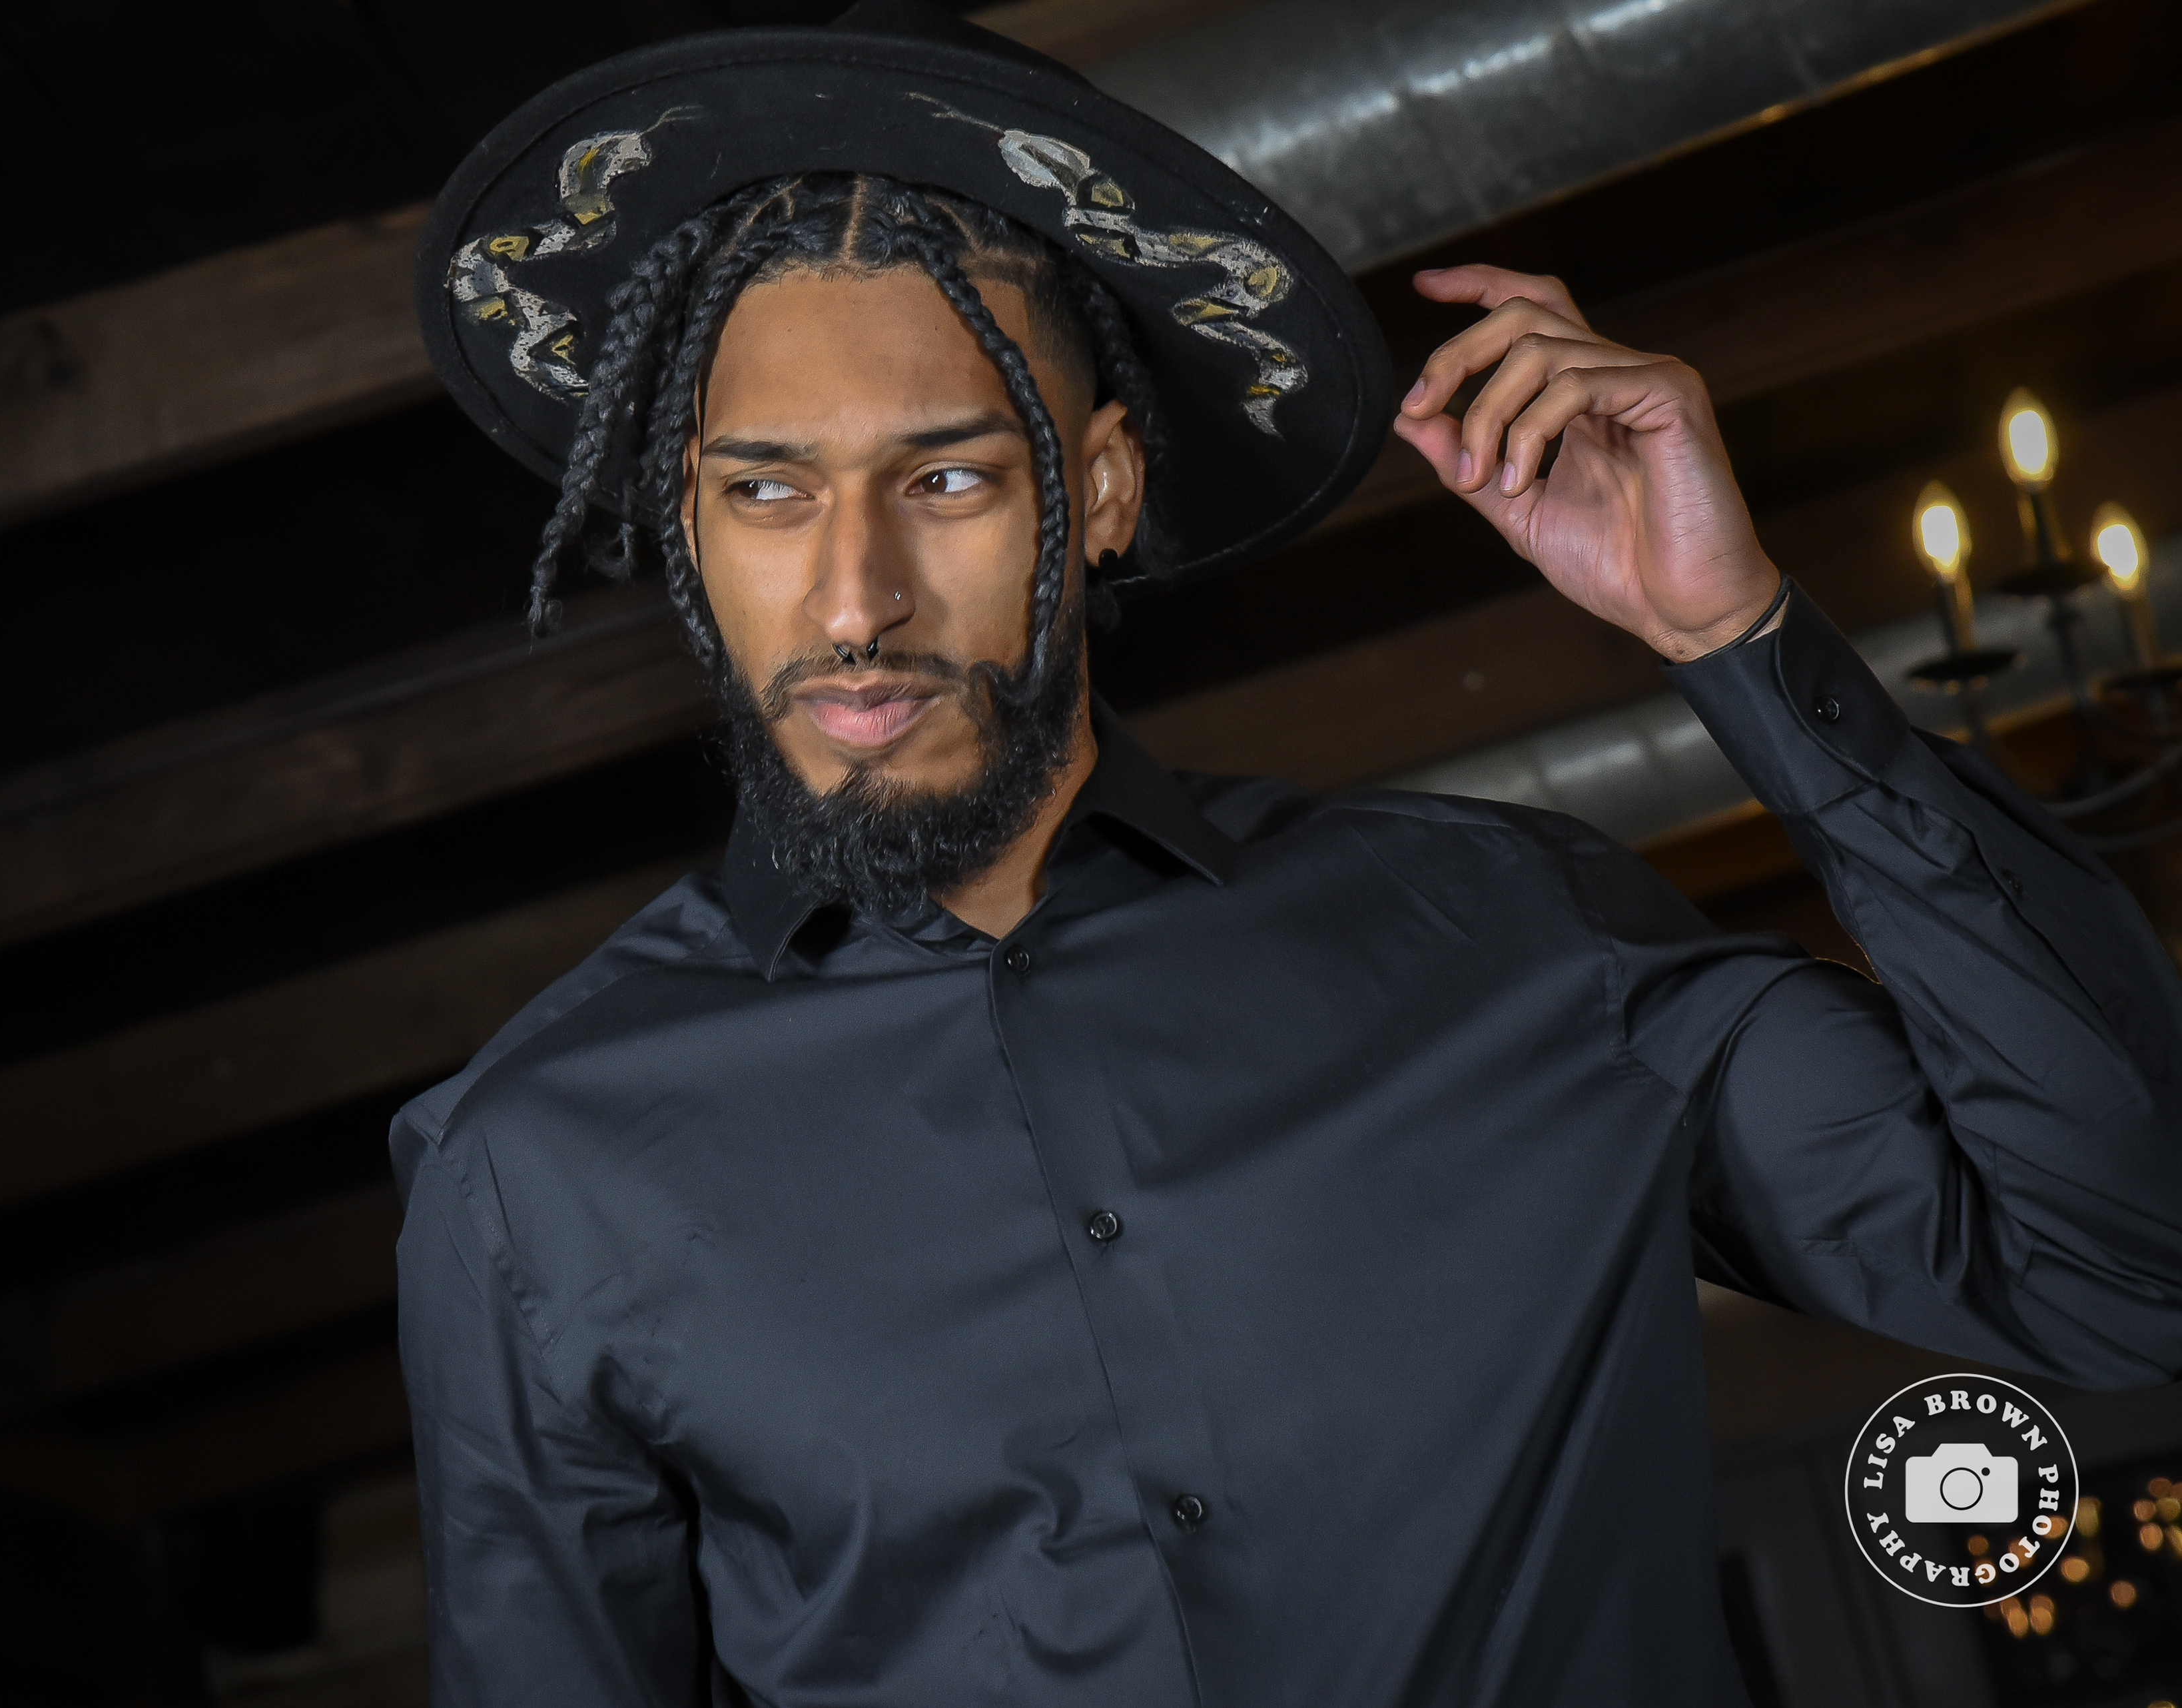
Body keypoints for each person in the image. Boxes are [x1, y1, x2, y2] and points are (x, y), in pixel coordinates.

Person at [390, 3, 2182, 1701]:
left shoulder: (1520, 931)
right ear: (692, 528)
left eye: (948, 481)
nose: (854, 600)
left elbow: (2119, 1274)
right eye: (768, 492)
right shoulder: (532, 1170)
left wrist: (1741, 642)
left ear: (1099, 491)